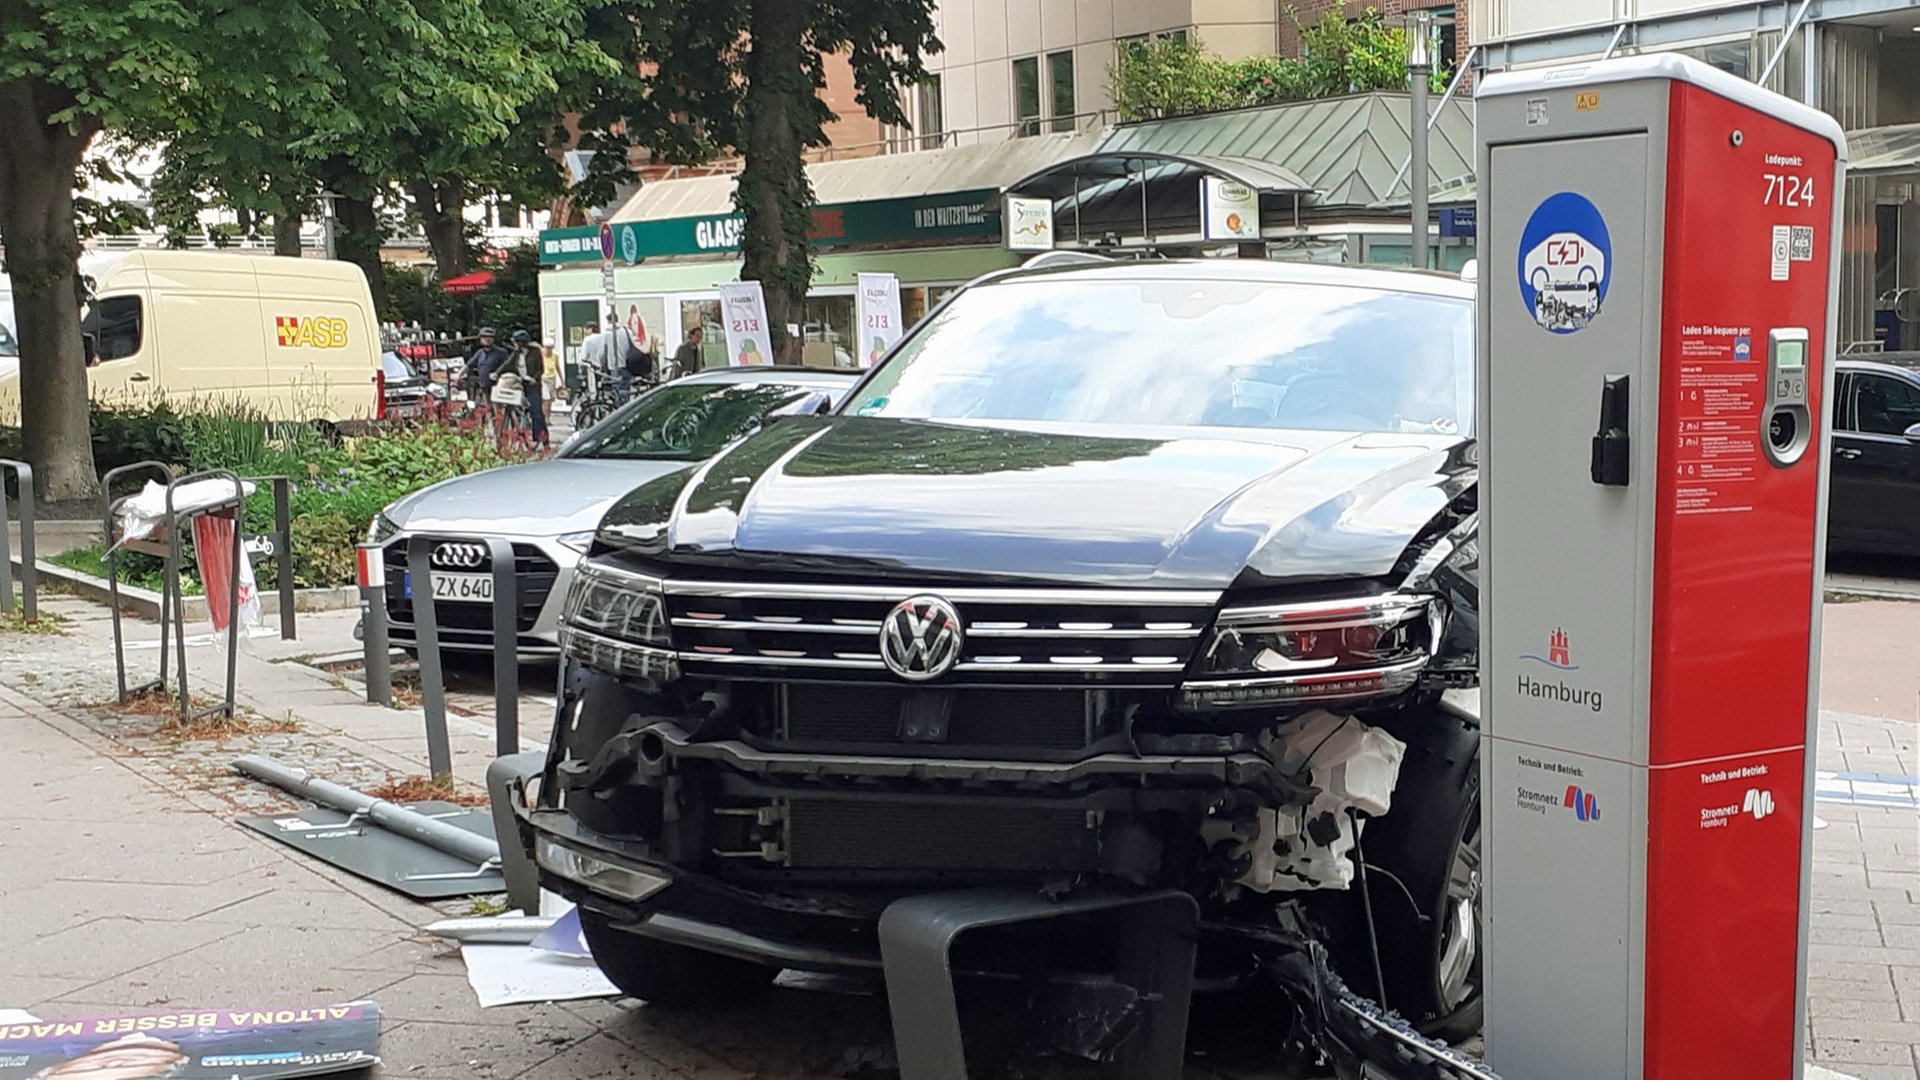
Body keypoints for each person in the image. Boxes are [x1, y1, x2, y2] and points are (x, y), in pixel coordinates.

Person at [495, 330, 549, 446]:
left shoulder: (535, 352)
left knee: (536, 412)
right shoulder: (516, 353)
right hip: (520, 382)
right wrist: (496, 373)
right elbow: (507, 364)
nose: (515, 344)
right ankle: (517, 422)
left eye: (516, 342)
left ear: (522, 343)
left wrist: (534, 378)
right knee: (513, 403)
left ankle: (542, 439)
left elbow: (541, 369)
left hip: (533, 384)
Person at [465, 328, 507, 402]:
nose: (487, 339)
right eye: (484, 337)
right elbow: (468, 365)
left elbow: (509, 366)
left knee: (498, 408)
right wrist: (458, 374)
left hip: (499, 386)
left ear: (494, 339)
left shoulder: (502, 352)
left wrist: (498, 373)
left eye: (490, 337)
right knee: (487, 406)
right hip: (484, 385)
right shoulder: (480, 352)